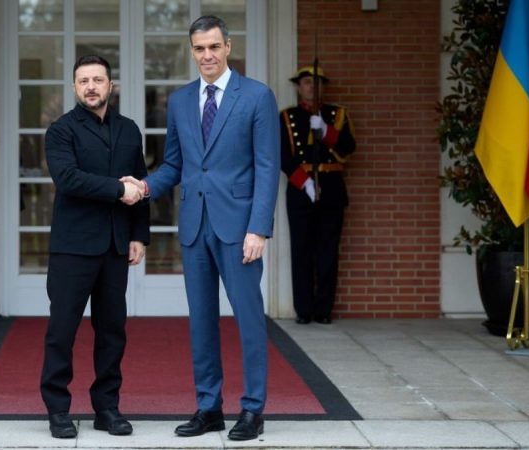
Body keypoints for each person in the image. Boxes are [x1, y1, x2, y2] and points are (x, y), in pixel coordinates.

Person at [124, 15, 279, 441]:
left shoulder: (257, 97)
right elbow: (175, 163)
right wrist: (144, 187)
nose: (207, 55)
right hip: (194, 226)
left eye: (213, 46)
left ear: (228, 46)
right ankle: (209, 407)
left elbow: (268, 167)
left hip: (239, 229)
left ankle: (253, 410)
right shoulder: (180, 101)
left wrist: (259, 228)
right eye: (199, 48)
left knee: (249, 319)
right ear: (191, 51)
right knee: (201, 322)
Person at [40, 55, 150, 439]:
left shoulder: (129, 129)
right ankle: (58, 410)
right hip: (72, 247)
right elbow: (68, 179)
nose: (91, 87)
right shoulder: (61, 130)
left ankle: (107, 408)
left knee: (112, 332)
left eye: (98, 80)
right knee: (62, 331)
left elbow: (142, 183)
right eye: (83, 81)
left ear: (110, 85)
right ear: (74, 87)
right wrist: (119, 190)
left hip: (115, 246)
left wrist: (139, 235)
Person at [279, 66, 356, 325]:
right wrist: (305, 183)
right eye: (306, 82)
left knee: (328, 251)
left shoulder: (336, 115)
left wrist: (326, 130)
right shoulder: (287, 117)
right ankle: (304, 310)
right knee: (301, 250)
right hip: (301, 190)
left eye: (316, 82)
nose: (312, 86)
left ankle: (323, 309)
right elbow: (282, 156)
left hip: (331, 187)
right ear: (298, 87)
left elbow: (349, 148)